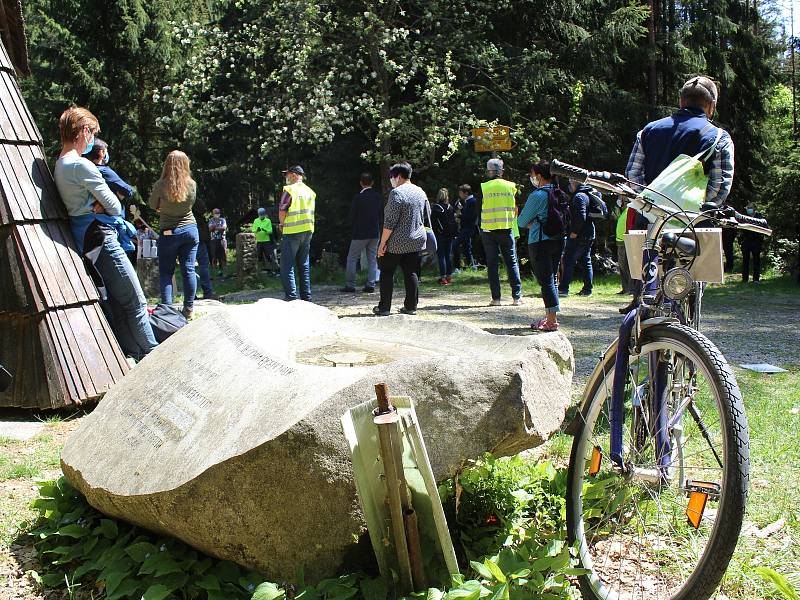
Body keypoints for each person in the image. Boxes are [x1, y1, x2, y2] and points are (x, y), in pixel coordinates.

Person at [53, 106, 157, 360]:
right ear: (84, 132)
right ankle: (156, 356)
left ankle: (133, 354)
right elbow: (114, 206)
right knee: (136, 302)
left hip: (85, 238)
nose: (93, 139)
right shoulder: (81, 166)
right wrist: (105, 203)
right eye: (93, 133)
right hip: (102, 237)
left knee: (118, 303)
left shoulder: (59, 164)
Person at [624, 75, 735, 311]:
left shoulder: (648, 131)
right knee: (688, 293)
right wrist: (694, 212)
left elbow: (633, 177)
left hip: (650, 225)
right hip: (691, 228)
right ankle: (685, 337)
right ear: (711, 105)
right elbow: (720, 188)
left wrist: (652, 209)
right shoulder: (718, 137)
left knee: (648, 292)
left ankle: (648, 339)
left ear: (681, 101)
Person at [149, 150, 200, 319]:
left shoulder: (160, 185)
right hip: (190, 230)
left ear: (167, 164)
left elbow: (151, 204)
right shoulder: (192, 184)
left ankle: (168, 311)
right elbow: (189, 204)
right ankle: (189, 309)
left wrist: (161, 206)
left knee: (166, 272)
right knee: (189, 269)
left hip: (169, 232)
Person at [374, 162, 427, 316]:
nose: (391, 180)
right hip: (416, 238)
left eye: (392, 177)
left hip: (397, 241)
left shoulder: (397, 193)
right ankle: (411, 306)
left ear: (398, 176)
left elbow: (389, 222)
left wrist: (382, 243)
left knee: (386, 271)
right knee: (411, 272)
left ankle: (384, 307)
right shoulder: (420, 191)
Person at [518, 160, 565, 331]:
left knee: (546, 281)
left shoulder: (537, 195)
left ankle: (552, 321)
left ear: (539, 175)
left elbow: (522, 221)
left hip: (540, 241)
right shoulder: (559, 192)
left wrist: (531, 222)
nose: (532, 178)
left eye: (532, 174)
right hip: (559, 240)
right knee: (551, 279)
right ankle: (550, 316)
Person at [83, 138, 138, 264]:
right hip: (109, 224)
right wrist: (117, 197)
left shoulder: (85, 170)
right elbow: (127, 190)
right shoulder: (104, 171)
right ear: (102, 153)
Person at [479, 158, 523, 306]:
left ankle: (496, 299)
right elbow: (516, 207)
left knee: (492, 264)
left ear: (489, 171)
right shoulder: (511, 186)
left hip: (488, 229)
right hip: (506, 228)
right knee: (512, 262)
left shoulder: (484, 187)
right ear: (501, 171)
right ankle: (517, 297)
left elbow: (478, 208)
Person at [278, 165, 316, 301]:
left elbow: (282, 210)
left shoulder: (289, 190)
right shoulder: (310, 191)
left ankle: (291, 298)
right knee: (304, 265)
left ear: (294, 175)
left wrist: (281, 224)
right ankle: (307, 297)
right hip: (307, 231)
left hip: (292, 231)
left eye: (287, 175)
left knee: (287, 265)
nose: (286, 177)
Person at [341, 173, 382, 293]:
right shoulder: (377, 196)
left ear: (361, 183)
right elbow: (380, 214)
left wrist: (350, 226)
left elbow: (352, 216)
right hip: (374, 232)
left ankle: (350, 285)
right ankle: (371, 284)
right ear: (372, 182)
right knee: (372, 259)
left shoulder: (358, 198)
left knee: (352, 258)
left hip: (360, 233)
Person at [558, 180, 596, 297]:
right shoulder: (587, 194)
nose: (569, 186)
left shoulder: (579, 197)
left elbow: (581, 216)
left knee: (568, 259)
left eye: (570, 183)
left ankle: (563, 289)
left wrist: (574, 231)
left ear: (575, 184)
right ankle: (587, 289)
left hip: (580, 234)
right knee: (586, 261)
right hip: (589, 232)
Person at [191, 197, 218, 300]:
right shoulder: (192, 198)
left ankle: (191, 295)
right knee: (203, 265)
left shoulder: (177, 199)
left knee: (189, 266)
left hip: (186, 233)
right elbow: (203, 208)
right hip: (198, 235)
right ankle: (207, 292)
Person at [431, 187, 458, 284]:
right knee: (448, 255)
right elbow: (454, 221)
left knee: (441, 256)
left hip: (440, 234)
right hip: (450, 235)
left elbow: (433, 223)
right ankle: (449, 276)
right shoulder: (450, 207)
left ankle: (443, 277)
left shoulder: (436, 208)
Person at [452, 184, 477, 271]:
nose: (459, 195)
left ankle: (457, 268)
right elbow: (466, 214)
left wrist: (459, 215)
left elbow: (470, 217)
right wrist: (460, 208)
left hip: (469, 229)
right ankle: (472, 267)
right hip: (465, 228)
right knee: (467, 247)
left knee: (455, 245)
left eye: (460, 193)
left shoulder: (472, 201)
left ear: (466, 193)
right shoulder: (467, 202)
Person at [740, 202, 765, 283]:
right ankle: (744, 279)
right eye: (747, 208)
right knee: (745, 260)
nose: (748, 209)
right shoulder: (744, 217)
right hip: (746, 241)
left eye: (750, 208)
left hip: (756, 241)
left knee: (756, 260)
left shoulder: (759, 216)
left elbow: (762, 227)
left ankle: (756, 279)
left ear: (754, 209)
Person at [614, 197, 633, 295]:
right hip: (620, 241)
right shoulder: (623, 211)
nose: (620, 200)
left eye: (622, 198)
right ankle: (625, 288)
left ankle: (630, 289)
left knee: (628, 266)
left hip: (627, 241)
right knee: (622, 266)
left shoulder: (631, 209)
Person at [208, 208, 228, 276]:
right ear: (213, 214)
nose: (217, 214)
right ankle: (214, 273)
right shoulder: (211, 220)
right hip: (213, 241)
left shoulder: (222, 220)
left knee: (223, 256)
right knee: (214, 257)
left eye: (218, 212)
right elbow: (210, 229)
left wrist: (214, 227)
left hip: (222, 240)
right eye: (215, 213)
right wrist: (218, 228)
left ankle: (224, 271)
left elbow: (224, 228)